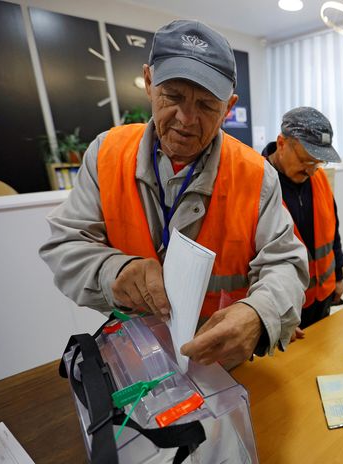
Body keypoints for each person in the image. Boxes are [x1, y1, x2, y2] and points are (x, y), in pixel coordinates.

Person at [39, 20, 309, 369]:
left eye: (207, 105)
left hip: (218, 362)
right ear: (150, 83)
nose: (186, 118)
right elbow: (65, 245)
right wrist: (113, 271)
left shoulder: (256, 174)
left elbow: (285, 263)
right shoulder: (106, 153)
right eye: (173, 96)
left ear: (229, 107)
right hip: (133, 355)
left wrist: (259, 313)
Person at [262, 107, 343, 331]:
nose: (311, 171)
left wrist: (338, 276)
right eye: (306, 161)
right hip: (285, 308)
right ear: (281, 143)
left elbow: (332, 232)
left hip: (322, 298)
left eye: (318, 163)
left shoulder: (318, 179)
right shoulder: (256, 184)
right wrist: (272, 314)